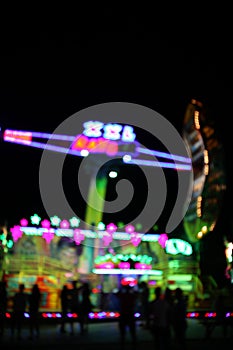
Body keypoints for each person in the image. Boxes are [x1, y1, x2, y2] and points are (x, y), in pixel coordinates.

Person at [116, 284, 138, 348]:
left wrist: (121, 288)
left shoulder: (123, 296)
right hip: (130, 314)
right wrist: (132, 289)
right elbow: (137, 294)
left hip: (123, 314)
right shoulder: (132, 296)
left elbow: (117, 294)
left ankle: (123, 345)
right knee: (132, 332)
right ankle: (134, 345)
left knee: (123, 333)